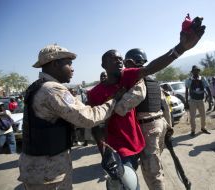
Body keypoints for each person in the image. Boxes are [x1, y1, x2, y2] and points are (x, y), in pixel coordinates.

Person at [88, 16, 205, 189]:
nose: (119, 61)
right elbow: (96, 126)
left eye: (120, 58)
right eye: (114, 59)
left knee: (152, 174)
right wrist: (104, 152)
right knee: (127, 184)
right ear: (103, 65)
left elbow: (151, 68)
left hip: (139, 143)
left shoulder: (128, 77)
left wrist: (180, 49)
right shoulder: (94, 93)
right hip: (118, 148)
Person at [18, 44, 125, 190]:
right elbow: (87, 118)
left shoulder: (37, 86)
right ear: (55, 64)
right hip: (48, 172)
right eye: (69, 63)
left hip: (41, 167)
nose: (73, 68)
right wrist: (113, 101)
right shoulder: (53, 90)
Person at [116, 48, 173, 190]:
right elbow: (165, 105)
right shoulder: (153, 79)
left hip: (148, 129)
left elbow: (131, 101)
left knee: (152, 173)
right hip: (160, 124)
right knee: (157, 166)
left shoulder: (138, 79)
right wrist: (169, 126)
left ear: (130, 62)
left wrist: (114, 107)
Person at [185, 65, 211, 137]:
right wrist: (186, 102)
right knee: (192, 117)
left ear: (199, 71)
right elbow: (186, 91)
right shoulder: (189, 80)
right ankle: (193, 130)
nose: (195, 72)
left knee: (203, 115)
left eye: (197, 70)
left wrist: (210, 96)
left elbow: (207, 88)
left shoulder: (203, 79)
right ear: (192, 72)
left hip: (201, 100)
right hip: (192, 100)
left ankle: (203, 128)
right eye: (194, 71)